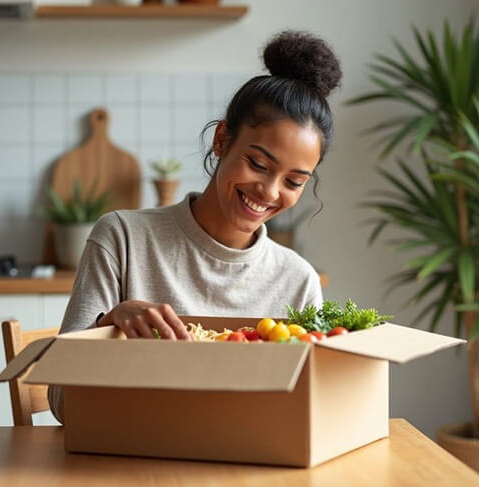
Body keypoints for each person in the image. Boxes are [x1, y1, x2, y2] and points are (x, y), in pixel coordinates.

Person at [48, 30, 342, 423]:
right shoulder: (122, 239)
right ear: (222, 140)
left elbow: (311, 416)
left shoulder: (297, 280)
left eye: (294, 181)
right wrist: (108, 325)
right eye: (257, 164)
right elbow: (62, 402)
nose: (269, 192)